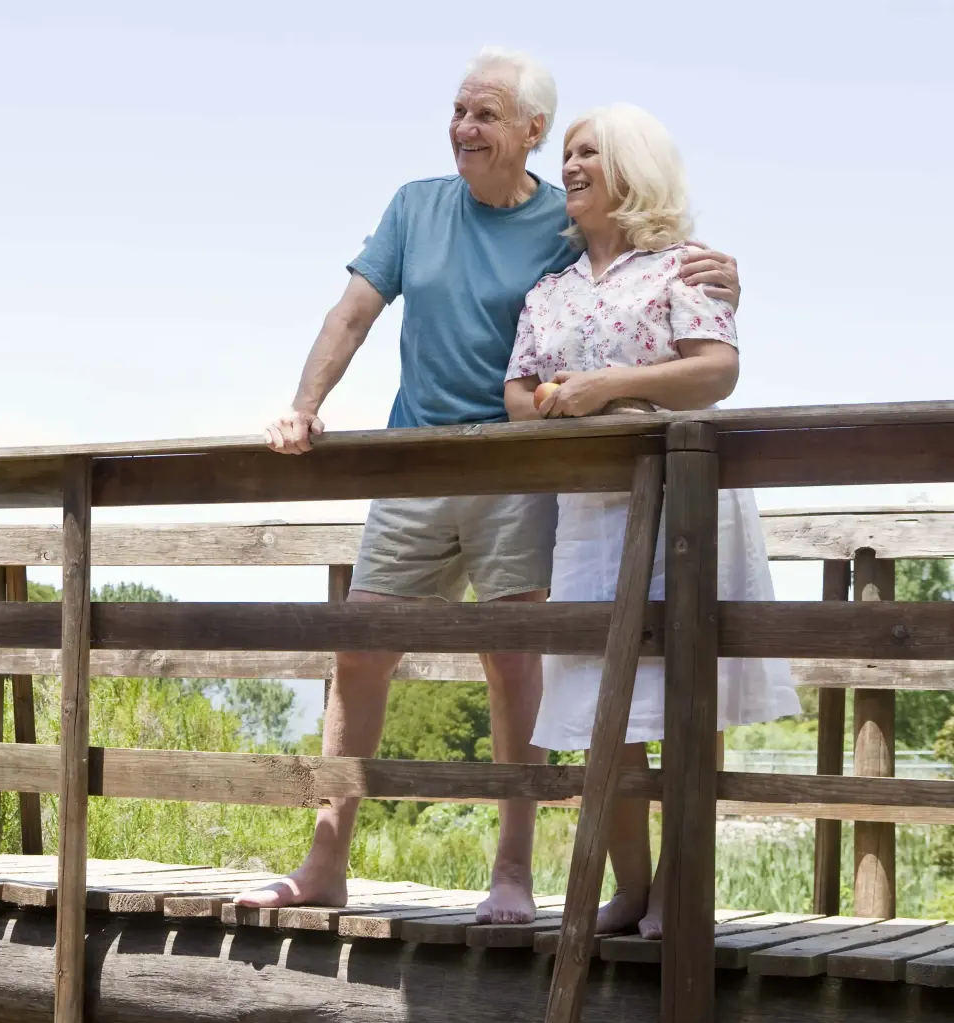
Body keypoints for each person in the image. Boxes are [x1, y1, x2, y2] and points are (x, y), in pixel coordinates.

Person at [240, 46, 742, 923]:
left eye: (485, 116)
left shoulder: (564, 217)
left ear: (532, 132)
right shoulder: (415, 206)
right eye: (459, 111)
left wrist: (726, 273)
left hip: (520, 472)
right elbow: (352, 311)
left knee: (515, 668)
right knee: (359, 651)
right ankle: (324, 862)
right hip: (414, 459)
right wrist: (302, 407)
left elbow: (648, 252)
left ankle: (512, 872)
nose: (463, 129)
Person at [504, 103, 800, 937]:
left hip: (681, 508)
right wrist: (554, 406)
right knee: (608, 710)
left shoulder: (683, 269)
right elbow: (518, 391)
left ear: (633, 167)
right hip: (591, 513)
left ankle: (677, 889)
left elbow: (716, 371)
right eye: (566, 153)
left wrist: (611, 386)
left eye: (587, 151)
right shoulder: (550, 290)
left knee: (680, 704)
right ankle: (630, 887)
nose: (569, 165)